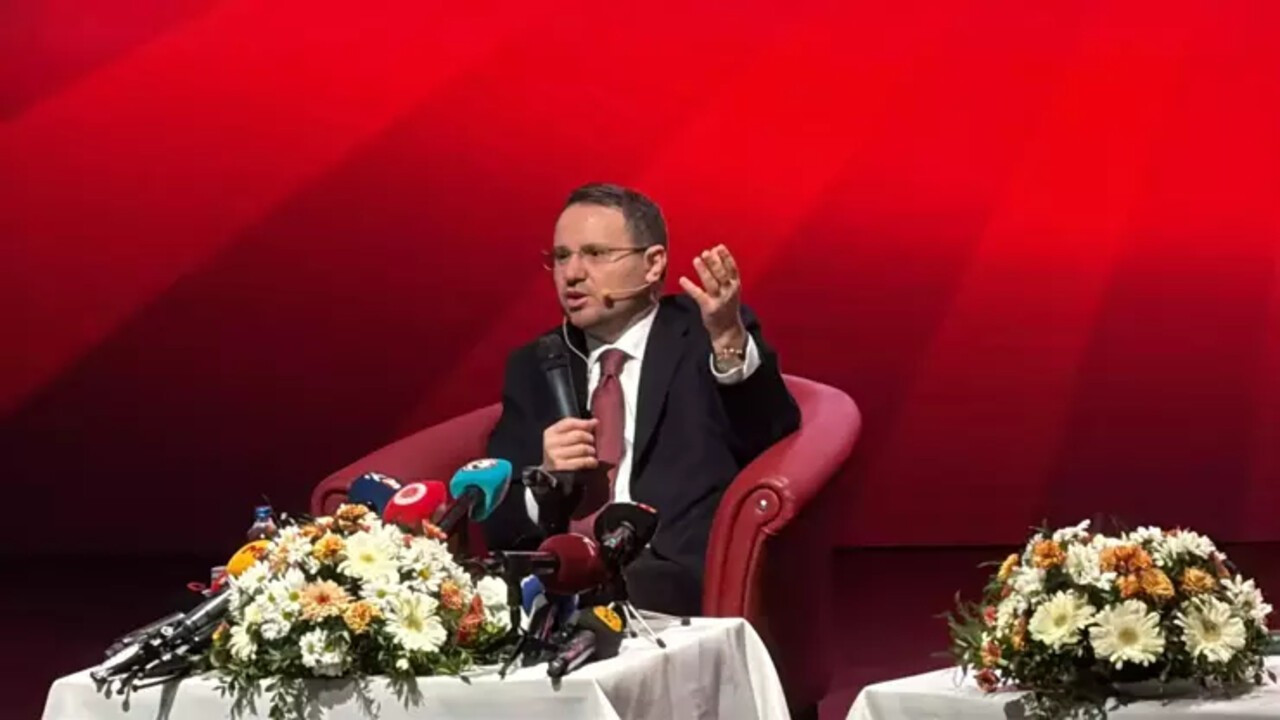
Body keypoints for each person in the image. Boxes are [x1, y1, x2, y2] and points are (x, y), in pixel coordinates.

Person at [483, 183, 800, 616]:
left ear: (652, 264)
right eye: (561, 257)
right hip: (560, 573)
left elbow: (772, 435)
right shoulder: (536, 364)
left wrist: (728, 339)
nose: (572, 274)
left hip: (667, 574)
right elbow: (498, 515)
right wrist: (544, 480)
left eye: (595, 254)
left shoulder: (704, 335)